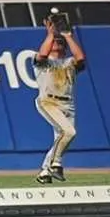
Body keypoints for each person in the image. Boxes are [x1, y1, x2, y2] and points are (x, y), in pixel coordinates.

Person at [30, 13, 87, 184]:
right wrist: (50, 34)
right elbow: (42, 54)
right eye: (56, 41)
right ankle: (56, 164)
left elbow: (81, 58)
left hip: (68, 104)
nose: (58, 42)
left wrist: (67, 36)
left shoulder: (69, 62)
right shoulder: (43, 62)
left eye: (60, 42)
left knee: (61, 139)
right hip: (48, 101)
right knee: (69, 132)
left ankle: (44, 172)